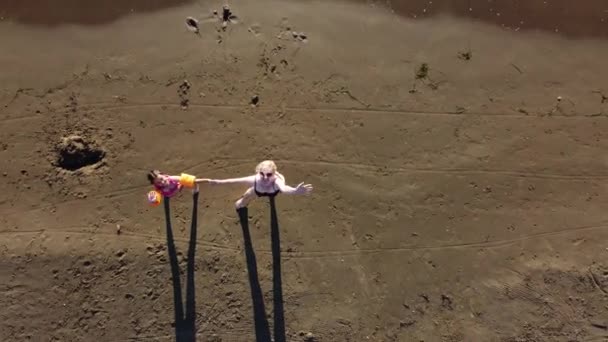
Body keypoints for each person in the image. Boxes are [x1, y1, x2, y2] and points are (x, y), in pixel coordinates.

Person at [205, 160, 313, 209]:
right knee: (247, 195)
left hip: (273, 192)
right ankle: (242, 204)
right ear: (258, 172)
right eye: (262, 173)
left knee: (276, 190)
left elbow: (284, 189)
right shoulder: (255, 179)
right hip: (258, 191)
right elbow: (235, 180)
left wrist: (294, 191)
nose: (265, 177)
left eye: (269, 174)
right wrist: (218, 182)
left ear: (274, 173)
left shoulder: (277, 182)